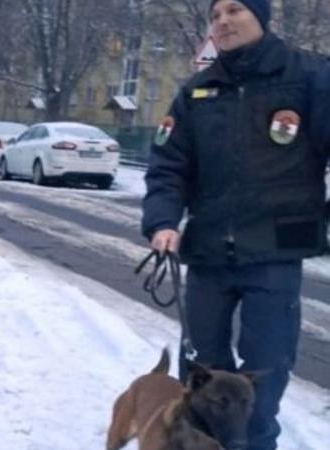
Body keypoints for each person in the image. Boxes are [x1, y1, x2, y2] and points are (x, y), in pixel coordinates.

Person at [142, 1, 330, 449]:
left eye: (235, 10)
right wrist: (163, 220)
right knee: (201, 379)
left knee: (264, 376)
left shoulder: (310, 77)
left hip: (276, 251)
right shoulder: (197, 91)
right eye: (216, 14)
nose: (223, 21)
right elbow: (168, 166)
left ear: (261, 16)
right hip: (207, 252)